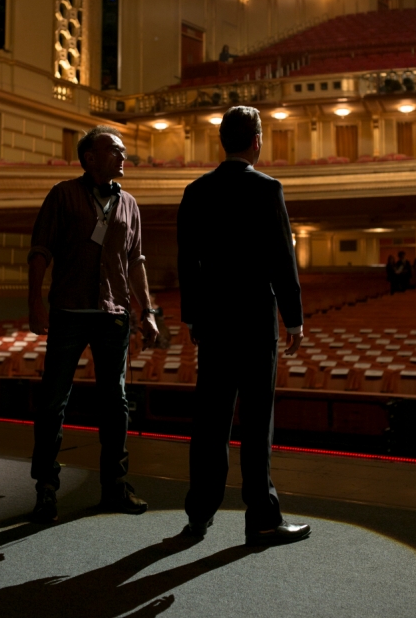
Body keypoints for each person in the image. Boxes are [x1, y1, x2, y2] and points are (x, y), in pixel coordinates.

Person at [177, 105, 310, 546]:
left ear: (223, 141)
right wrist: (293, 318)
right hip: (255, 322)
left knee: (210, 421)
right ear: (256, 141)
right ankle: (262, 519)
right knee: (256, 424)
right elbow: (280, 258)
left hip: (214, 320)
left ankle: (198, 516)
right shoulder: (267, 188)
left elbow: (187, 262)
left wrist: (194, 316)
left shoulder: (196, 191)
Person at [27, 125, 159, 523]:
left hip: (114, 315)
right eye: (115, 150)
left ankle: (115, 486)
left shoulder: (130, 204)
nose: (124, 157)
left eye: (123, 151)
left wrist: (148, 311)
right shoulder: (63, 195)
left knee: (115, 404)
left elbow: (135, 262)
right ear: (89, 157)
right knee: (53, 401)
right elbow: (39, 252)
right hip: (68, 312)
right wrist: (34, 301)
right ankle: (46, 488)